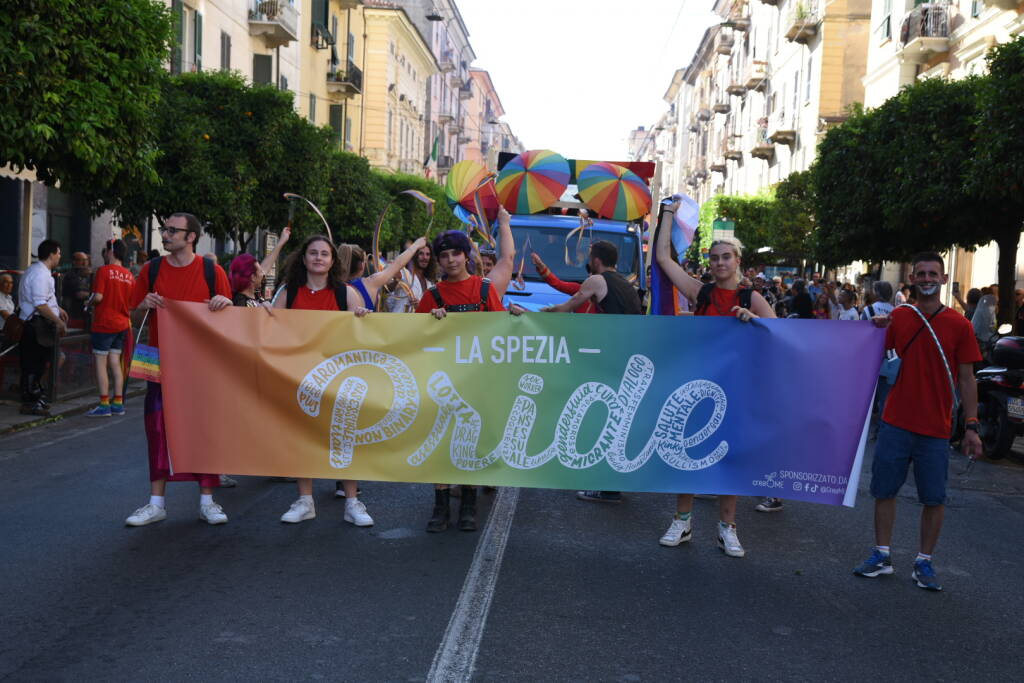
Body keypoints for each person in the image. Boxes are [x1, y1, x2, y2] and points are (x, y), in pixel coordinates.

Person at [653, 205, 778, 556]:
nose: (720, 263)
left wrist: (753, 318)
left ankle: (727, 527)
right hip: (698, 388)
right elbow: (663, 257)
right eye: (714, 258)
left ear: (738, 261)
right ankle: (683, 520)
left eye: (726, 257)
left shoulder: (751, 297)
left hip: (736, 390)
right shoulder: (701, 293)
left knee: (728, 457)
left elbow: (780, 333)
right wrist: (665, 215)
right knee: (687, 453)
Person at [853, 252, 983, 592]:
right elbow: (869, 356)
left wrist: (971, 425)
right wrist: (873, 330)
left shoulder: (960, 325)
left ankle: (924, 561)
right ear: (912, 279)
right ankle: (881, 554)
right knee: (884, 491)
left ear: (942, 279)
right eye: (921, 273)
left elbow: (968, 380)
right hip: (896, 421)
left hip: (936, 428)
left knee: (934, 498)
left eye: (932, 273)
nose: (926, 278)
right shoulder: (898, 317)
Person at [124, 213, 233, 527]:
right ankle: (156, 502)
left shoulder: (213, 272)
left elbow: (230, 321)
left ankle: (207, 501)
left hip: (202, 363)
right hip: (159, 360)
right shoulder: (151, 269)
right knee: (157, 427)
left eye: (173, 230)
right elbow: (131, 316)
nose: (165, 234)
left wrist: (225, 303)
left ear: (191, 237)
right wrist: (143, 304)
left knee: (204, 428)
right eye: (164, 229)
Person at [526, 240, 642, 504]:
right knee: (614, 420)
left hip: (610, 360)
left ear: (596, 259)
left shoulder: (597, 280)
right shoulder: (625, 284)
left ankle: (605, 486)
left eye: (589, 256)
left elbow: (564, 307)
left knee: (602, 420)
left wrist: (532, 316)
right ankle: (610, 484)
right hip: (627, 358)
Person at [274, 235, 374, 527]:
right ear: (303, 259)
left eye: (324, 254)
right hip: (299, 376)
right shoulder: (288, 293)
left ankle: (352, 501)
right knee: (303, 437)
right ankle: (305, 500)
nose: (318, 258)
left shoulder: (345, 293)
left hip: (339, 378)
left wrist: (362, 317)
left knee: (343, 437)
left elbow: (364, 333)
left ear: (333, 262)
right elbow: (267, 327)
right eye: (313, 253)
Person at [416, 230, 505, 533]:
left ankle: (469, 504)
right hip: (441, 380)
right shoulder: (431, 295)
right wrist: (430, 321)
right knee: (441, 442)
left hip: (477, 381)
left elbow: (502, 330)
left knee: (472, 442)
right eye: (444, 255)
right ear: (438, 260)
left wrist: (518, 317)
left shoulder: (484, 289)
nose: (451, 259)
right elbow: (412, 337)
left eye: (456, 253)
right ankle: (440, 506)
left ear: (466, 255)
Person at [16, 240, 68, 416]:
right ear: (52, 254)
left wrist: (58, 309)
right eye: (59, 253)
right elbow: (39, 304)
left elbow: (45, 299)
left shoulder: (39, 271)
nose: (60, 256)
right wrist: (58, 321)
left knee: (38, 364)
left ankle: (36, 398)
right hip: (36, 326)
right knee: (33, 365)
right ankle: (30, 402)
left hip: (39, 325)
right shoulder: (40, 274)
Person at [85, 239, 134, 417]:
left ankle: (104, 404)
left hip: (104, 323)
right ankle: (118, 403)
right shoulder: (129, 275)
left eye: (105, 250)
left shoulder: (104, 271)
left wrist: (88, 302)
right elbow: (132, 303)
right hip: (122, 324)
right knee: (115, 362)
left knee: (100, 362)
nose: (104, 253)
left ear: (111, 251)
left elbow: (98, 297)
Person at [346, 237, 428, 311]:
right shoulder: (370, 283)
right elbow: (397, 264)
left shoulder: (335, 287)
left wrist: (396, 280)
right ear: (361, 265)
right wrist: (416, 245)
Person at [530, 252, 598, 313]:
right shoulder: (580, 289)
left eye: (594, 272)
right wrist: (540, 265)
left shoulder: (606, 292)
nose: (590, 275)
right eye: (589, 271)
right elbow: (557, 283)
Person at [383, 240, 438, 312]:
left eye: (428, 254)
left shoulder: (430, 283)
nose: (425, 257)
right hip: (398, 321)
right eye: (421, 253)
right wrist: (396, 280)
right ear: (414, 255)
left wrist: (420, 306)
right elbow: (386, 290)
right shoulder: (404, 273)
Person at [63, 251, 93, 328]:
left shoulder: (87, 275)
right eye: (81, 260)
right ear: (74, 262)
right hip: (74, 315)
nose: (84, 263)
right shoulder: (71, 275)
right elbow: (79, 294)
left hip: (85, 316)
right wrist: (93, 294)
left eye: (86, 260)